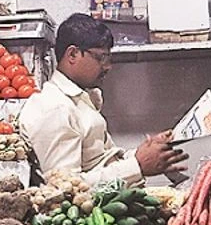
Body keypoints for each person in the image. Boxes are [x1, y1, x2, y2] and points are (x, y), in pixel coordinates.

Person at [19, 13, 188, 187]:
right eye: (101, 58)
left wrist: (146, 154)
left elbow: (102, 161)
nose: (108, 66)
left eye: (109, 58)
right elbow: (64, 189)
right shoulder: (54, 108)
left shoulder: (80, 100)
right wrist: (137, 166)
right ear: (73, 54)